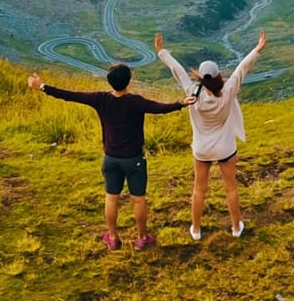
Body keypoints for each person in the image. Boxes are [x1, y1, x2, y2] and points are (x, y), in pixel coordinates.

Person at [27, 63, 195, 251]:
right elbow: (160, 108)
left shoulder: (100, 99)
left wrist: (42, 87)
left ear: (110, 81)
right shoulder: (135, 101)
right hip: (134, 160)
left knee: (111, 198)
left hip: (111, 159)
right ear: (128, 81)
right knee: (138, 199)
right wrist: (181, 103)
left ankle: (113, 238)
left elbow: (70, 95)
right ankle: (142, 238)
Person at [155, 30, 267, 240]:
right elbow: (242, 68)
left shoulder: (192, 93)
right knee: (230, 188)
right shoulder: (228, 90)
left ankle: (196, 230)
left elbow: (178, 70)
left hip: (202, 149)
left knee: (199, 189)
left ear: (200, 77)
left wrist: (162, 52)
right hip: (225, 148)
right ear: (218, 76)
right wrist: (257, 48)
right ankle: (236, 228)